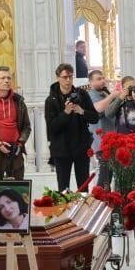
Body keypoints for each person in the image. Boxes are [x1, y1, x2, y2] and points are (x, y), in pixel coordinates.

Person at [44, 63, 98, 191]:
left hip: (81, 147)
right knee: (63, 188)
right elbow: (52, 128)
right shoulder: (51, 100)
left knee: (83, 187)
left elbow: (95, 118)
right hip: (61, 150)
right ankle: (64, 211)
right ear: (58, 78)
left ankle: (83, 211)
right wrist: (66, 113)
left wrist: (82, 111)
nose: (68, 80)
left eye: (70, 77)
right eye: (64, 77)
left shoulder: (82, 94)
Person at [102, 75, 135, 188]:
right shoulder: (119, 101)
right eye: (130, 88)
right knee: (122, 180)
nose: (133, 90)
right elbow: (108, 114)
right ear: (123, 88)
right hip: (122, 146)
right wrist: (120, 98)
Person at [86, 70, 121, 187]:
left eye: (103, 78)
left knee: (109, 173)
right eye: (98, 79)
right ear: (91, 82)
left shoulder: (105, 93)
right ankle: (100, 198)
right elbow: (98, 108)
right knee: (105, 173)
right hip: (100, 140)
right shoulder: (90, 95)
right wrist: (112, 96)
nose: (102, 81)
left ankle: (107, 200)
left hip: (112, 138)